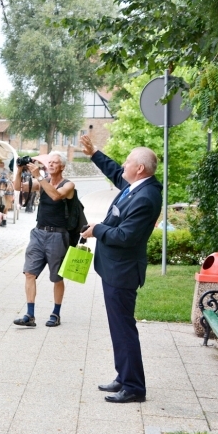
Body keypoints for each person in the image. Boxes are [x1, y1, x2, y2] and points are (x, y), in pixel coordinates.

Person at [80, 135, 162, 404]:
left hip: (123, 272)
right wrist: (94, 153)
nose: (124, 165)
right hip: (114, 269)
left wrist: (97, 230)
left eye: (128, 161)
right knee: (118, 328)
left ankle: (134, 387)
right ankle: (124, 376)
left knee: (124, 329)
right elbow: (116, 172)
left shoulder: (146, 197)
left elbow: (126, 236)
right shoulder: (137, 186)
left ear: (140, 168)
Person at [13, 151, 75, 328]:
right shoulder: (41, 183)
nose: (51, 164)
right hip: (38, 233)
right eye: (50, 162)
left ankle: (55, 313)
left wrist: (39, 177)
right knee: (29, 273)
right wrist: (19, 170)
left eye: (55, 162)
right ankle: (30, 315)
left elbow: (55, 196)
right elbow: (18, 187)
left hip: (58, 235)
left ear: (62, 167)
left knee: (56, 277)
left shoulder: (68, 185)